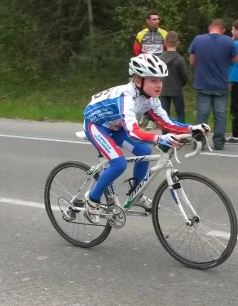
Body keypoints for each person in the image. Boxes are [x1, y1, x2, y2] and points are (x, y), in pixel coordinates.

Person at [81, 54, 210, 221]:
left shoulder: (150, 98)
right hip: (97, 125)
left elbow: (166, 122)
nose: (159, 85)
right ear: (138, 80)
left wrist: (193, 128)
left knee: (143, 151)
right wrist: (158, 139)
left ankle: (136, 193)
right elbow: (133, 132)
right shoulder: (127, 97)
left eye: (160, 80)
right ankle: (92, 200)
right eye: (153, 81)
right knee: (118, 164)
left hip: (116, 125)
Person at [189, 19, 238, 150]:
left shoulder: (198, 39)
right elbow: (235, 59)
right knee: (220, 114)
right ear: (223, 30)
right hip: (221, 84)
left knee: (202, 114)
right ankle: (218, 143)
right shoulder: (228, 41)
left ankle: (199, 142)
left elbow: (192, 61)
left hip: (202, 83)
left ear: (210, 27)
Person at [134, 11, 168, 130]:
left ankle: (152, 120)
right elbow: (137, 51)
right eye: (153, 19)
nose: (156, 21)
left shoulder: (164, 34)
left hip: (158, 70)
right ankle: (143, 114)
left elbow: (166, 50)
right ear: (147, 21)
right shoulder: (140, 34)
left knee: (155, 95)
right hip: (145, 69)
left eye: (158, 19)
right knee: (142, 93)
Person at [158, 31, 189, 134]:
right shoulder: (180, 59)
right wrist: (180, 84)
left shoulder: (159, 59)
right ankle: (181, 134)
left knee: (164, 114)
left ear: (165, 43)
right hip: (177, 90)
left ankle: (165, 135)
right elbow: (185, 76)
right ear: (178, 43)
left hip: (162, 90)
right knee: (180, 112)